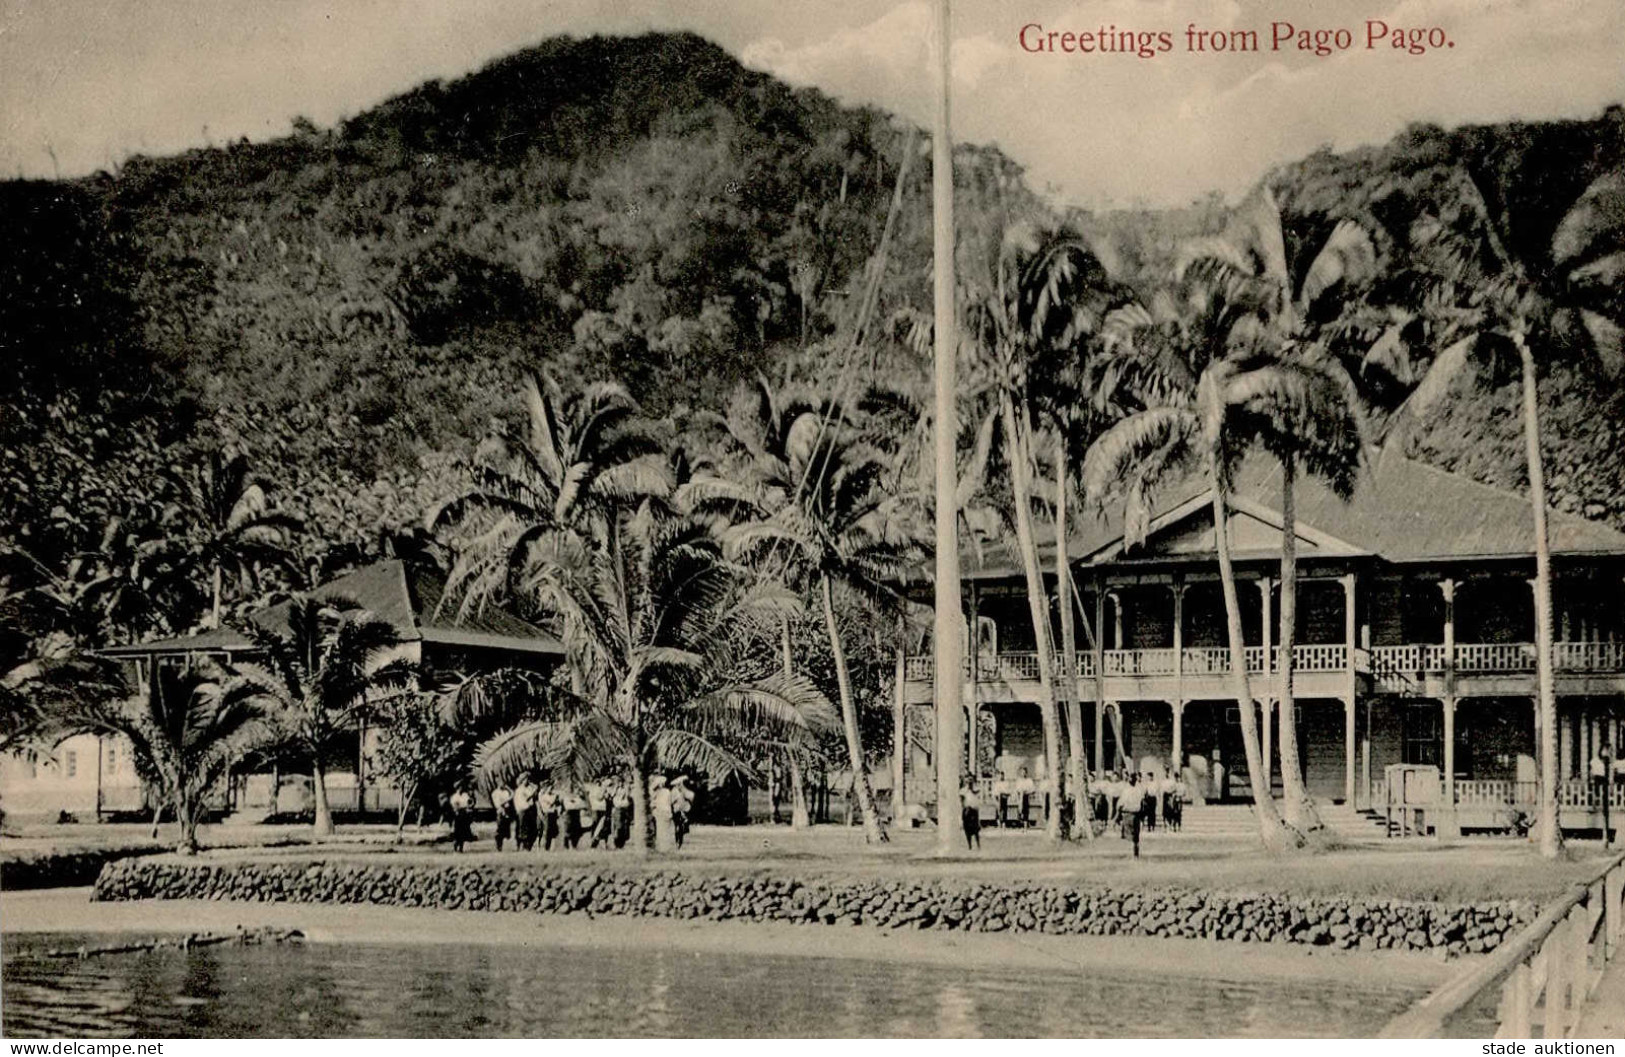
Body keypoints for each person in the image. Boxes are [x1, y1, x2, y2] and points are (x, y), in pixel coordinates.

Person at [513, 773, 538, 851]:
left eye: (528, 779)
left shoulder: (529, 789)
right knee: (523, 829)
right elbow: (526, 798)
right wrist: (533, 792)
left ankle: (528, 845)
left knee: (532, 828)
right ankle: (523, 846)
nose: (527, 781)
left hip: (530, 810)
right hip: (523, 810)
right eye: (525, 779)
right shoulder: (519, 790)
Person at [669, 774, 694, 848]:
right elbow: (671, 801)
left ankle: (680, 840)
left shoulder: (684, 790)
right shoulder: (674, 791)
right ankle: (678, 842)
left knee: (681, 826)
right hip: (677, 810)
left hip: (683, 810)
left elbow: (691, 796)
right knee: (678, 826)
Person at [449, 785, 475, 853]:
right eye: (459, 788)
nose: (460, 789)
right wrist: (457, 809)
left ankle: (461, 847)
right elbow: (454, 805)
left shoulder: (465, 795)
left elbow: (469, 802)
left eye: (461, 787)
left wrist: (469, 806)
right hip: (458, 814)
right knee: (458, 831)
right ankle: (456, 845)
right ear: (456, 789)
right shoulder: (455, 796)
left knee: (464, 831)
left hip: (464, 813)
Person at [960, 777, 982, 851]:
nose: (970, 784)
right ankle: (969, 845)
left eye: (971, 782)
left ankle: (978, 845)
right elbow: (961, 798)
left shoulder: (975, 789)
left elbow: (977, 793)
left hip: (974, 810)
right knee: (967, 829)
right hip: (967, 810)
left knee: (975, 829)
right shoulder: (964, 790)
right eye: (968, 782)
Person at [491, 782, 514, 851]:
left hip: (506, 811)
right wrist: (506, 800)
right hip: (500, 811)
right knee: (500, 828)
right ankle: (498, 845)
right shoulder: (495, 793)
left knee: (505, 829)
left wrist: (509, 789)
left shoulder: (505, 792)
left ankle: (501, 845)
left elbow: (511, 796)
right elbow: (498, 803)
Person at [589, 780, 613, 848]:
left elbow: (608, 798)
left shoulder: (603, 790)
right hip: (596, 809)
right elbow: (599, 798)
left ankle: (604, 842)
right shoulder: (594, 790)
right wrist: (604, 790)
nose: (598, 784)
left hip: (603, 810)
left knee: (604, 826)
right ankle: (594, 841)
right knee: (596, 825)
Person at [538, 785, 562, 851]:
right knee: (547, 831)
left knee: (554, 831)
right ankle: (546, 847)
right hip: (547, 813)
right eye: (549, 788)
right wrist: (556, 797)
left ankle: (552, 847)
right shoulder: (544, 796)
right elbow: (552, 802)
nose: (551, 790)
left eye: (552, 788)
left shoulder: (552, 796)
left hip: (553, 814)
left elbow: (558, 803)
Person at [611, 779, 633, 849]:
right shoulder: (615, 790)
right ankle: (617, 842)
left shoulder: (625, 790)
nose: (620, 784)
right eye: (619, 782)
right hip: (618, 809)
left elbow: (628, 799)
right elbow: (612, 796)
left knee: (624, 827)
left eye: (621, 782)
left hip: (624, 809)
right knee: (618, 826)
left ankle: (621, 842)